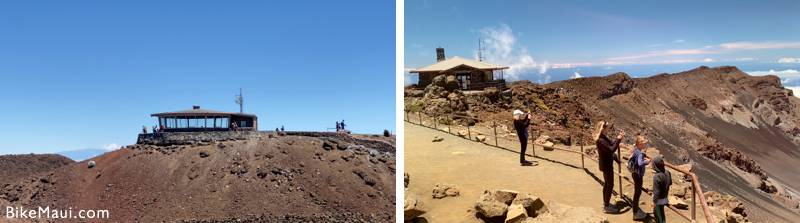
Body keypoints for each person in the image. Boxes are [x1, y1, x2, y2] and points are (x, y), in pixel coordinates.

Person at [595, 121, 625, 213]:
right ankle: (607, 207)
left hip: (605, 164)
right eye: (607, 127)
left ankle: (605, 203)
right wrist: (619, 140)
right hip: (606, 166)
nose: (609, 128)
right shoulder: (600, 140)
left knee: (607, 184)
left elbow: (612, 142)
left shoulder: (603, 137)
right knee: (610, 185)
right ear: (603, 128)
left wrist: (618, 137)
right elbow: (611, 149)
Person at [630, 135, 651, 220]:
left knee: (637, 192)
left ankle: (635, 208)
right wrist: (647, 161)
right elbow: (640, 163)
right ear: (639, 144)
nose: (645, 145)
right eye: (643, 144)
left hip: (634, 173)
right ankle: (635, 213)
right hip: (638, 175)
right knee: (637, 193)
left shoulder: (635, 150)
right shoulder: (639, 153)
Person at [652, 155, 672, 223]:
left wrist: (654, 201)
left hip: (659, 199)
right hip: (665, 197)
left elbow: (656, 192)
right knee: (661, 212)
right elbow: (670, 183)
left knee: (660, 216)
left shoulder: (656, 177)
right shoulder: (668, 172)